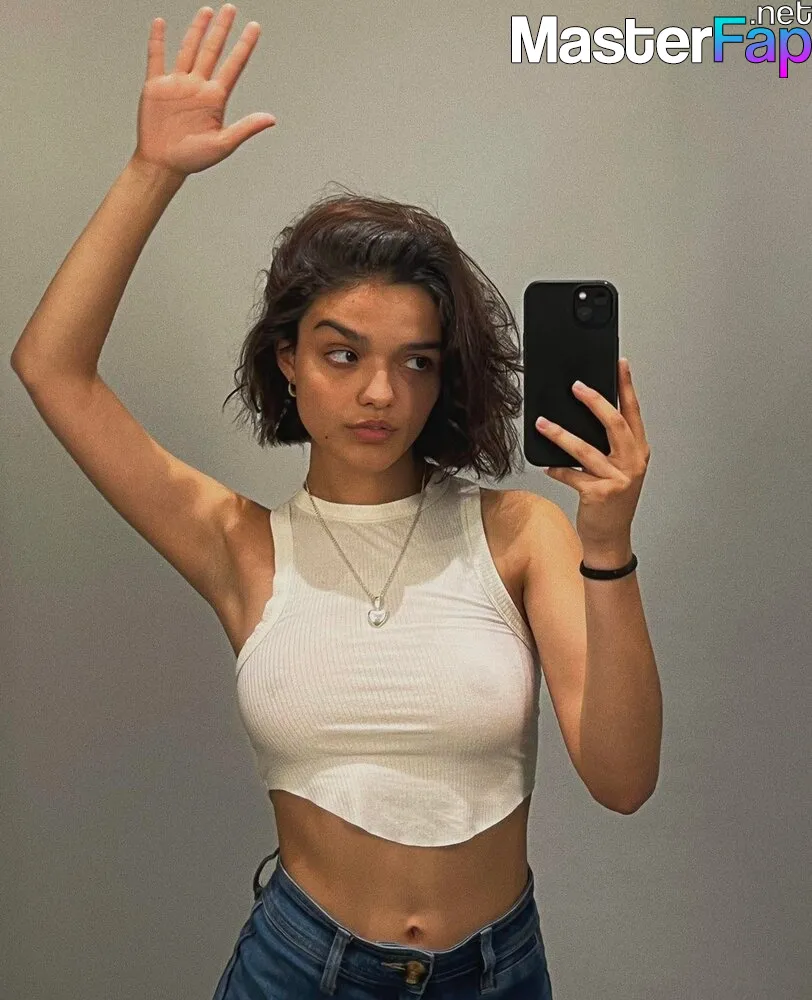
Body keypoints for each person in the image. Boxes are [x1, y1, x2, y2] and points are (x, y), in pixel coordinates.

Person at [12, 5, 659, 998]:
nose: (378, 393)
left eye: (415, 362)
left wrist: (607, 545)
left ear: (444, 376)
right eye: (342, 354)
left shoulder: (518, 533)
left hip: (492, 972)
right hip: (298, 969)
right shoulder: (236, 544)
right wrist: (152, 171)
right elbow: (51, 367)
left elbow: (622, 780)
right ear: (288, 359)